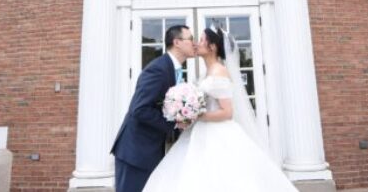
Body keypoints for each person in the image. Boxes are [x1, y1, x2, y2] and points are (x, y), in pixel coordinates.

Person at [143, 25, 299, 192]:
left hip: (216, 134)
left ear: (213, 47)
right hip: (198, 132)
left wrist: (196, 114)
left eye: (202, 40)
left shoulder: (220, 71)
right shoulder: (208, 72)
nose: (197, 43)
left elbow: (227, 112)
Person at [111, 24, 197, 192]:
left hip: (150, 151)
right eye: (190, 39)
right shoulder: (158, 69)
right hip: (135, 152)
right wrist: (174, 125)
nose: (193, 43)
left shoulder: (175, 70)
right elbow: (140, 109)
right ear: (177, 42)